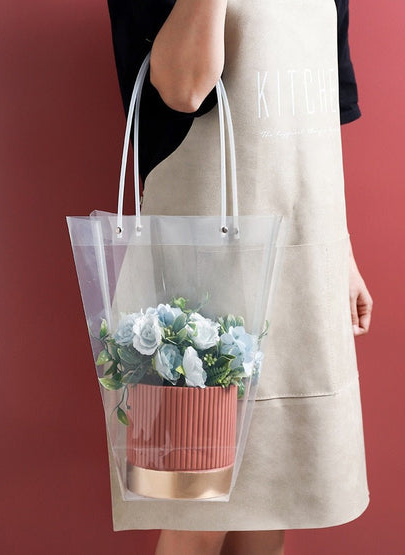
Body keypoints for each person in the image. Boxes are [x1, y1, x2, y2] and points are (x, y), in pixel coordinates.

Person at [106, 1, 373, 553]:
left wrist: (341, 253)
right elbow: (184, 88)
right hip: (196, 279)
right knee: (193, 512)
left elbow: (323, 116)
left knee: (272, 505)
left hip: (301, 258)